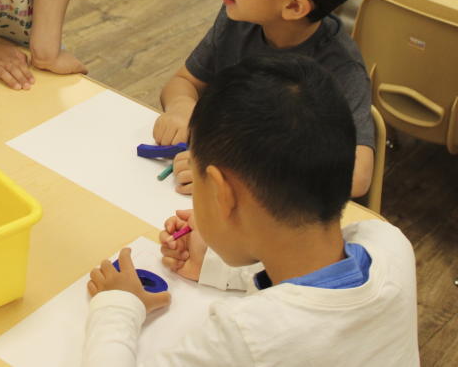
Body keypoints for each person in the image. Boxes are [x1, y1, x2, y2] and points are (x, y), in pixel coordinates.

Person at [85, 55, 419, 366]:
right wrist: (215, 265)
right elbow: (308, 275)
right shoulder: (389, 244)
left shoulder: (245, 336)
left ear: (220, 192)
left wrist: (118, 306)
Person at [152, 0, 378, 197]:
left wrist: (238, 169)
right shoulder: (239, 19)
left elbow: (357, 176)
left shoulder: (340, 69)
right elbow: (184, 80)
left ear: (294, 6)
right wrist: (181, 107)